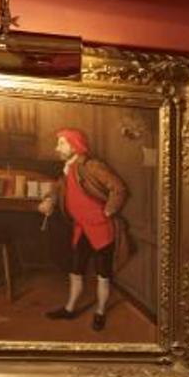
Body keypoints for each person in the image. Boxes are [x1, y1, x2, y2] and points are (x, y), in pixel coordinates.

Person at [37, 126, 130, 330]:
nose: (57, 148)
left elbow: (119, 188)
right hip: (81, 229)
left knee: (103, 275)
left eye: (61, 143)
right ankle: (70, 309)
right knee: (76, 271)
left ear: (75, 145)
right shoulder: (67, 169)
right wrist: (49, 201)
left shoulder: (91, 166)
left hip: (101, 229)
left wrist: (108, 211)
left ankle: (100, 312)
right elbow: (58, 189)